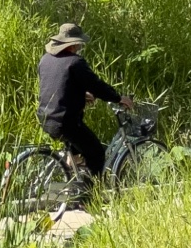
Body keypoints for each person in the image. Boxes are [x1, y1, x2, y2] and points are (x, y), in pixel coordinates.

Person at [37, 23, 129, 177]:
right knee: (96, 153)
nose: (80, 46)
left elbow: (57, 85)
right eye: (79, 43)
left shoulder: (46, 59)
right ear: (73, 44)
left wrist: (81, 94)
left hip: (46, 118)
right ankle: (89, 197)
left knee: (78, 149)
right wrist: (118, 98)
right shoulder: (75, 62)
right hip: (66, 122)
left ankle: (73, 179)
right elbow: (96, 85)